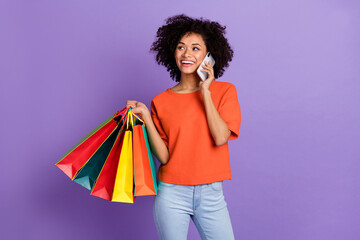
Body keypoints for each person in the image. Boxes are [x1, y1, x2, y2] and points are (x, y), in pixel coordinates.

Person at [126, 14, 241, 240]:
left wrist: (205, 91)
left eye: (195, 48)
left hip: (211, 195)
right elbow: (166, 158)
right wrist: (147, 118)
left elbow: (220, 138)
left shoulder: (225, 91)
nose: (187, 54)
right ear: (173, 52)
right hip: (171, 194)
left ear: (209, 55)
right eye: (181, 47)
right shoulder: (160, 101)